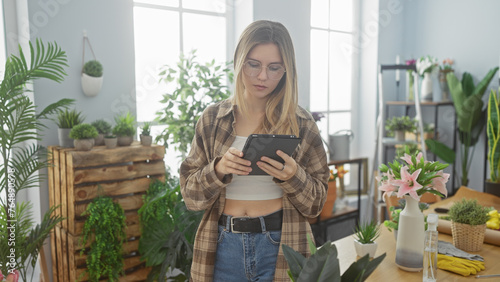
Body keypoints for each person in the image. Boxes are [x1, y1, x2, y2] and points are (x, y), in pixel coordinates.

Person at [180, 20, 329, 282]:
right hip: (223, 247)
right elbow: (191, 198)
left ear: (286, 71)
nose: (262, 76)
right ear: (239, 61)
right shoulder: (213, 119)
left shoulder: (302, 124)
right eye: (253, 64)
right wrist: (218, 169)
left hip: (281, 246)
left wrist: (293, 176)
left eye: (274, 68)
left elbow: (316, 204)